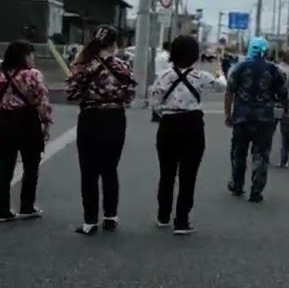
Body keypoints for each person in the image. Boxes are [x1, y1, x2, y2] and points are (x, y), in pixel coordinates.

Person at [66, 25, 136, 235]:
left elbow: (71, 93)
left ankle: (90, 222)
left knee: (89, 172)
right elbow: (130, 94)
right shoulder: (123, 66)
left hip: (90, 118)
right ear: (114, 44)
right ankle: (110, 217)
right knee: (110, 169)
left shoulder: (82, 64)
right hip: (115, 118)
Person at [148, 35, 217, 234]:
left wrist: (165, 111)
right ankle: (182, 221)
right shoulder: (201, 77)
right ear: (195, 55)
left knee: (167, 173)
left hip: (168, 125)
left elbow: (154, 102)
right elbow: (223, 85)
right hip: (193, 125)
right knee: (189, 175)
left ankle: (163, 216)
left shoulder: (163, 76)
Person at [223, 36, 287, 203]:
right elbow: (283, 93)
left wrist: (228, 115)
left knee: (238, 152)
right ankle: (256, 190)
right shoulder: (274, 70)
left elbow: (229, 92)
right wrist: (285, 109)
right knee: (261, 153)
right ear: (266, 51)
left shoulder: (239, 68)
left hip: (241, 117)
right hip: (265, 118)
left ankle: (237, 185)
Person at [0, 40, 53, 222]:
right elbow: (42, 101)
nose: (33, 58)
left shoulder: (1, 74)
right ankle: (26, 206)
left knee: (4, 167)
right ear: (24, 56)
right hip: (27, 122)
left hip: (4, 121)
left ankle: (2, 209)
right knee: (31, 165)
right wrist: (46, 122)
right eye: (31, 55)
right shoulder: (32, 75)